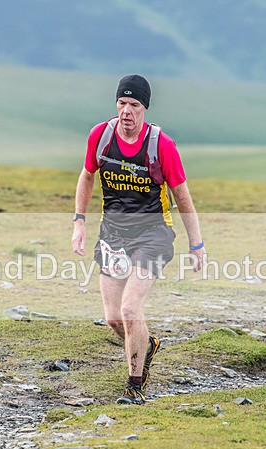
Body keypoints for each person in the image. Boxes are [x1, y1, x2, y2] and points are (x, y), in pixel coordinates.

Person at [71, 74, 205, 405]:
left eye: (133, 105)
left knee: (131, 308)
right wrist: (79, 221)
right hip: (112, 234)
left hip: (153, 234)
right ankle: (146, 346)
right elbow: (88, 175)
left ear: (144, 108)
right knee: (114, 318)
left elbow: (183, 196)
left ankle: (134, 386)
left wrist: (196, 245)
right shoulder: (100, 137)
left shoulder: (162, 146)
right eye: (121, 103)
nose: (126, 111)